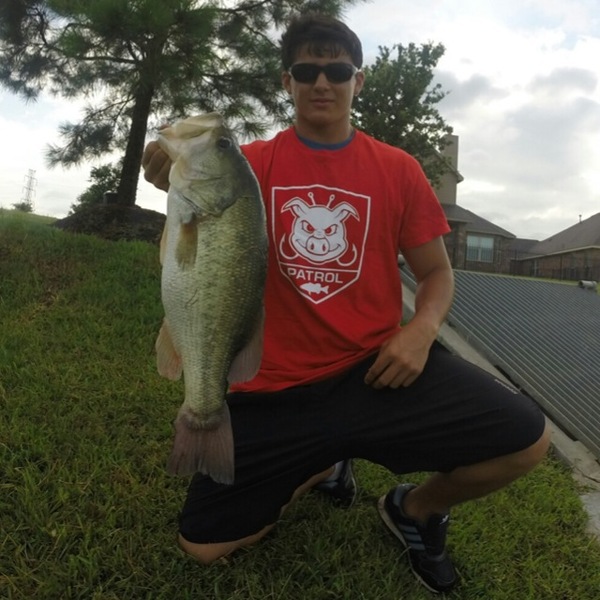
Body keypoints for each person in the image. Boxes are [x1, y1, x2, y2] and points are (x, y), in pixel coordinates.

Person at [142, 13, 550, 594]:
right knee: (204, 547)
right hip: (274, 388)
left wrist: (421, 331)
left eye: (336, 71)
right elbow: (194, 219)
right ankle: (322, 463)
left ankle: (413, 510)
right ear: (287, 81)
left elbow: (436, 273)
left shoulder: (399, 170)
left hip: (374, 373)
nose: (322, 82)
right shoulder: (246, 167)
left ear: (357, 81)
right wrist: (168, 168)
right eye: (306, 70)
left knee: (527, 440)